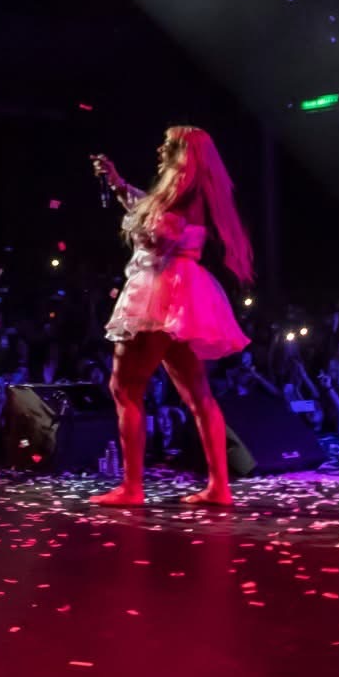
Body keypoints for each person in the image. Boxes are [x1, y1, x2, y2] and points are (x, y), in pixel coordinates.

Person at [87, 126, 254, 507]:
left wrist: (142, 223)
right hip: (183, 293)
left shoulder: (181, 195)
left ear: (183, 154)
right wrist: (118, 184)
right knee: (197, 393)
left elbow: (158, 234)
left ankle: (132, 487)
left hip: (161, 290)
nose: (160, 148)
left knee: (125, 386)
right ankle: (219, 487)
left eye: (169, 144)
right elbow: (150, 212)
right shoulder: (185, 194)